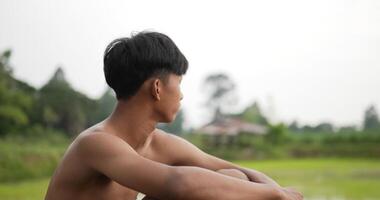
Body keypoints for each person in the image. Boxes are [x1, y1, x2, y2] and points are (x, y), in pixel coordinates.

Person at [44, 31, 303, 200]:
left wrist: (278, 192)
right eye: (178, 83)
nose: (181, 95)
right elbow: (178, 183)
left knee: (233, 180)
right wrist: (276, 196)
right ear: (157, 88)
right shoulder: (96, 143)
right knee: (197, 187)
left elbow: (238, 171)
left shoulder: (159, 143)